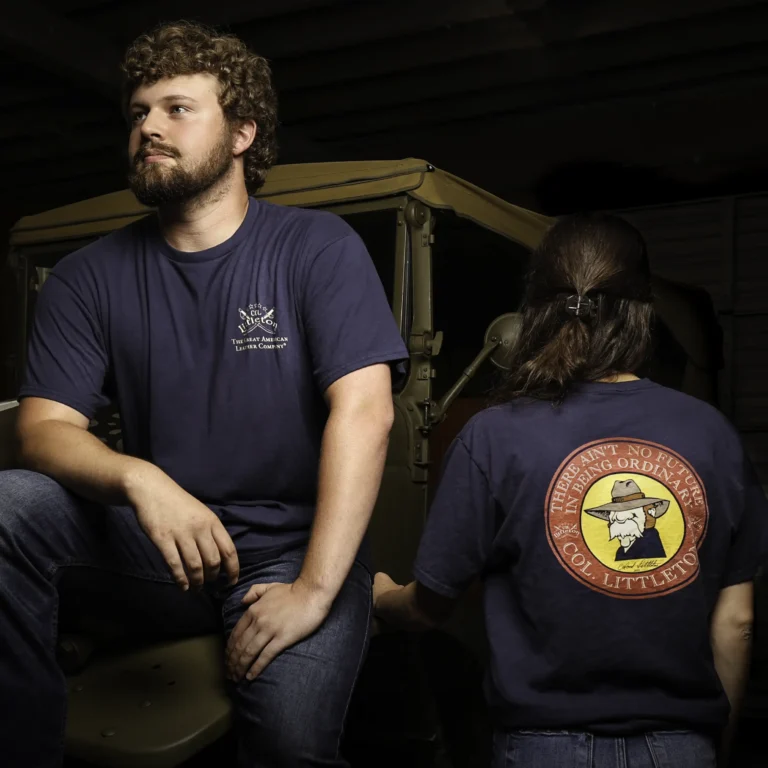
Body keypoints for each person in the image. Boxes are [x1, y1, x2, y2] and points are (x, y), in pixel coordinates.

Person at [0, 20, 407, 768]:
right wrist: (139, 477)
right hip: (167, 547)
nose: (148, 127)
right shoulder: (91, 276)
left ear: (243, 132)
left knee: (289, 744)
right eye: (138, 113)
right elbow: (42, 430)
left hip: (294, 550)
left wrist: (316, 590)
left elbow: (367, 411)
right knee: (8, 506)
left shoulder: (316, 249)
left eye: (176, 108)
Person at [373, 213, 767, 767]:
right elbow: (738, 623)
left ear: (532, 311)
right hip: (681, 745)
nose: (621, 521)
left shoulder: (493, 436)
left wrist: (380, 596)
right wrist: (710, 746)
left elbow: (430, 605)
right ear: (641, 314)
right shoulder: (713, 435)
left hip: (541, 747)